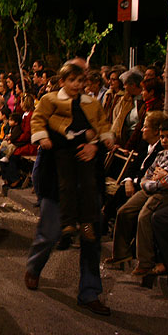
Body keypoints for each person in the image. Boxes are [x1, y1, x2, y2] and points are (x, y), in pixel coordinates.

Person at [31, 63, 114, 242]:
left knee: (88, 185)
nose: (76, 84)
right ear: (62, 82)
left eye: (80, 81)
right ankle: (67, 223)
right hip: (61, 150)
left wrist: (104, 137)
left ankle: (86, 222)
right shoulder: (50, 100)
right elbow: (37, 119)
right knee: (66, 185)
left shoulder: (90, 103)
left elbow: (101, 122)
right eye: (72, 80)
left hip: (85, 149)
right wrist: (42, 137)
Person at [105, 118, 168, 276]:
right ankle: (121, 253)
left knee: (145, 216)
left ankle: (146, 262)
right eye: (162, 137)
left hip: (166, 194)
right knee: (124, 210)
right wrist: (151, 182)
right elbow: (148, 175)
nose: (164, 140)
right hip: (151, 188)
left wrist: (155, 181)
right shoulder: (162, 153)